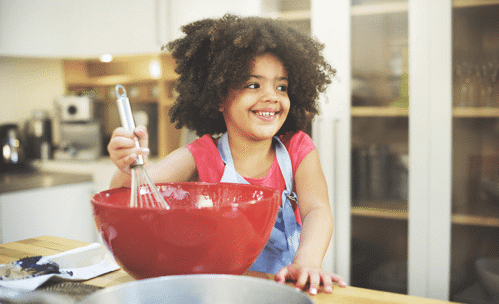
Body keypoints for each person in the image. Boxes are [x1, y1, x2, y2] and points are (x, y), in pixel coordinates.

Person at [108, 14, 346, 294]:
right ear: (219, 97)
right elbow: (130, 191)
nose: (272, 96)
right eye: (253, 85)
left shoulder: (297, 149)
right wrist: (128, 164)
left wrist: (307, 262)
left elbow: (318, 210)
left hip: (283, 288)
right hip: (218, 292)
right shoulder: (202, 155)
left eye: (281, 87)